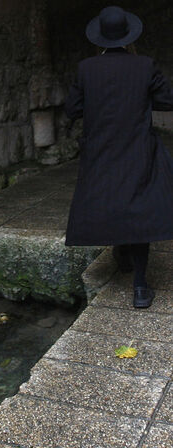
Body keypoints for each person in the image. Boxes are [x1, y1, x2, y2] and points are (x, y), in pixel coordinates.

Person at [64, 5, 173, 308]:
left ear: (100, 38)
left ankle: (123, 255)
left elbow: (72, 109)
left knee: (114, 197)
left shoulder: (86, 68)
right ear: (128, 35)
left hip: (101, 149)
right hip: (137, 146)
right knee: (138, 204)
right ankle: (140, 286)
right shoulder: (145, 65)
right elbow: (166, 100)